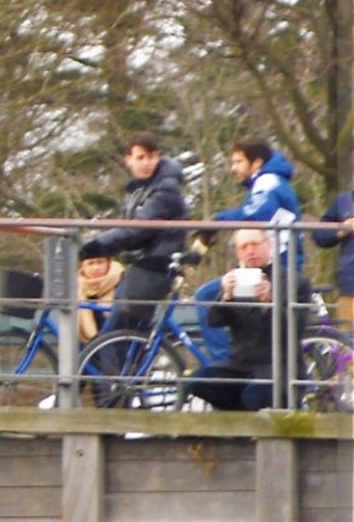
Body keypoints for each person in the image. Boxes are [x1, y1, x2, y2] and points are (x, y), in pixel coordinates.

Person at [79, 133, 190, 340]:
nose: (146, 163)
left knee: (115, 336)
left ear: (158, 157)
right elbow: (126, 227)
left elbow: (138, 229)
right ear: (128, 160)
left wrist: (95, 247)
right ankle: (128, 369)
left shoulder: (165, 189)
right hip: (142, 265)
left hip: (155, 265)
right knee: (122, 333)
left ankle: (117, 372)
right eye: (140, 158)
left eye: (150, 157)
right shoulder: (138, 189)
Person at [183, 229, 277, 411]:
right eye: (244, 247)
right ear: (238, 252)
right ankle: (242, 418)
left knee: (253, 394)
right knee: (197, 383)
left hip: (273, 363)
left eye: (255, 244)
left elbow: (295, 326)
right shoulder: (236, 280)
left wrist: (270, 301)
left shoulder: (290, 280)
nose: (250, 251)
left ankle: (246, 418)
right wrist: (226, 296)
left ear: (269, 245)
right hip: (239, 363)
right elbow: (214, 321)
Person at [214, 137, 302, 269]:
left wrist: (218, 220)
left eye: (239, 162)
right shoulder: (268, 181)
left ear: (257, 163)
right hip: (276, 265)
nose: (233, 168)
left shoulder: (268, 181)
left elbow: (255, 214)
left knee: (208, 291)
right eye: (232, 163)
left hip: (280, 268)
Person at [315, 186, 354, 329]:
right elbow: (319, 235)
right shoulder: (345, 200)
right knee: (348, 341)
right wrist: (340, 231)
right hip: (350, 286)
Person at [76, 253, 125, 342]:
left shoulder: (121, 281)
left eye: (100, 262)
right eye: (90, 263)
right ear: (82, 267)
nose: (96, 268)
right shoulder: (79, 287)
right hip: (87, 346)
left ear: (108, 264)